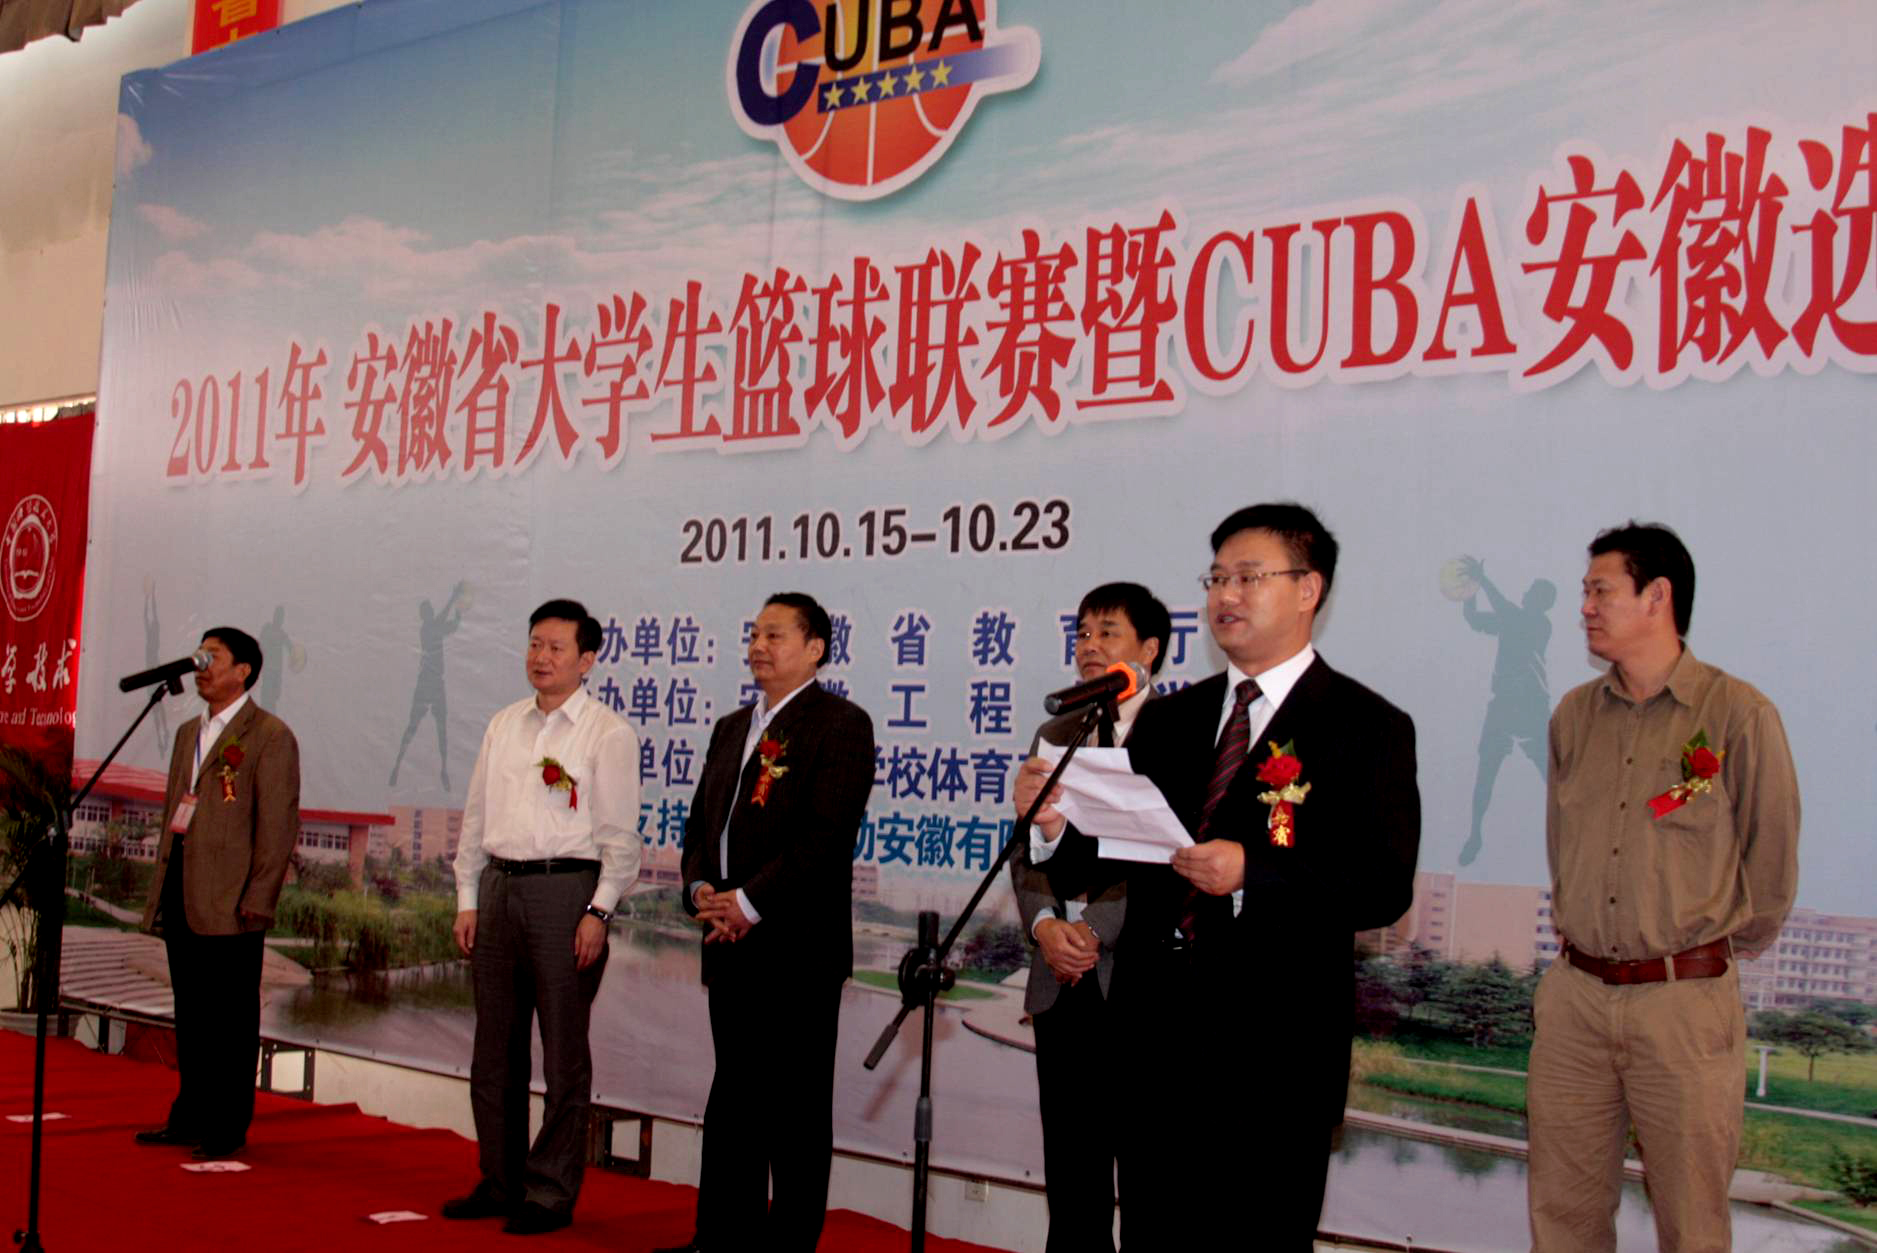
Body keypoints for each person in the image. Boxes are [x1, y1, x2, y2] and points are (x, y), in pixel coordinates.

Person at [1017, 503, 1420, 1248]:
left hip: (1276, 1048)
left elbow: (1381, 883)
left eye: (1248, 577)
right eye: (1215, 579)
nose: (1225, 596)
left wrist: (1252, 873)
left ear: (1307, 589)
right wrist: (1053, 827)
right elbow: (1115, 856)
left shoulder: (1365, 724)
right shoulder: (1171, 719)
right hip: (1151, 1037)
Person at [1528, 522, 1799, 1253]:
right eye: (1585, 592)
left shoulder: (1738, 714)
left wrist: (1702, 954)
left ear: (1657, 596)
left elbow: (1771, 865)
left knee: (1692, 1223)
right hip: (1576, 1001)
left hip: (1684, 1005)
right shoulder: (1573, 716)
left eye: (1600, 590)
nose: (1585, 607)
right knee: (1562, 1216)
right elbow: (1562, 846)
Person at [658, 593, 875, 1253]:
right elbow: (700, 827)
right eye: (753, 634)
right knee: (734, 1100)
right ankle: (720, 1238)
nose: (758, 646)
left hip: (796, 948)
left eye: (774, 634)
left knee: (796, 1111)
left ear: (815, 648)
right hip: (728, 941)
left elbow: (824, 837)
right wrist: (701, 889)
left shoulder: (840, 724)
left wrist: (749, 902)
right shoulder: (731, 727)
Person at [443, 599, 641, 1236]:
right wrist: (468, 898)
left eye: (556, 647)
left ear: (587, 660)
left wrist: (598, 911)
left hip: (567, 892)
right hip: (499, 887)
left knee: (562, 1056)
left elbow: (620, 838)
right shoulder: (504, 724)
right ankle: (499, 1180)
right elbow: (475, 819)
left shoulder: (606, 733)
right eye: (534, 644)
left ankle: (550, 1192)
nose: (541, 657)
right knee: (493, 1051)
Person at [1009, 581, 1169, 1253]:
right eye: (1081, 633)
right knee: (1071, 1169)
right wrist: (1046, 926)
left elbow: (1165, 856)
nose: (1090, 646)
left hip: (1141, 979)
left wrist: (1096, 931)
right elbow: (1029, 847)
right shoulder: (1057, 732)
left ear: (1149, 649)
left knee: (1149, 1173)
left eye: (1108, 632)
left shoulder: (1180, 730)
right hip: (1059, 975)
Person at [136, 626, 300, 1161]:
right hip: (182, 887)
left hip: (233, 900)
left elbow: (277, 827)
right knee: (192, 1011)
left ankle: (227, 1126)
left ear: (243, 671)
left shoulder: (269, 735)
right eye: (199, 655)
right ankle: (190, 1115)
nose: (200, 665)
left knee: (230, 1019)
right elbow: (174, 811)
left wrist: (259, 898)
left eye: (213, 656)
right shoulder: (189, 731)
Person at [1455, 555, 1555, 866]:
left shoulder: (1538, 625)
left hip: (1530, 708)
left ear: (1541, 601)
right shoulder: (1511, 620)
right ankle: (1475, 833)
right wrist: (1469, 593)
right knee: (1486, 772)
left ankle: (1572, 832)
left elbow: (1505, 610)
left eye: (1532, 591)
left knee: (1552, 778)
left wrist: (1483, 581)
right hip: (1504, 705)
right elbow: (1474, 620)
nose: (1525, 593)